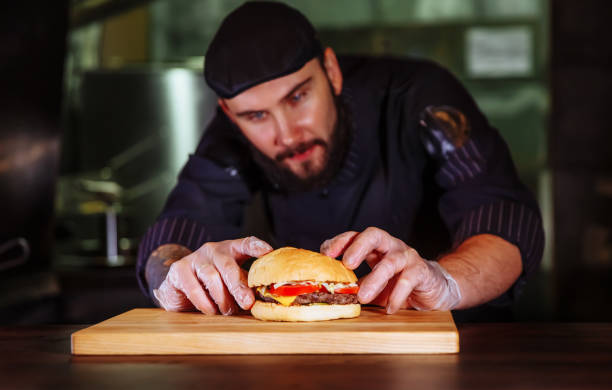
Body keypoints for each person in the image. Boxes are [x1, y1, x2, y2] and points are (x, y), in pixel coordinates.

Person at [136, 1, 544, 322]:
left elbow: (501, 215)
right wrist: (173, 275)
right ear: (229, 113)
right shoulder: (235, 133)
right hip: (309, 358)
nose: (287, 133)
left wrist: (447, 283)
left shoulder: (417, 96)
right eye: (256, 116)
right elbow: (178, 227)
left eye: (297, 97)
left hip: (456, 344)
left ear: (331, 71)